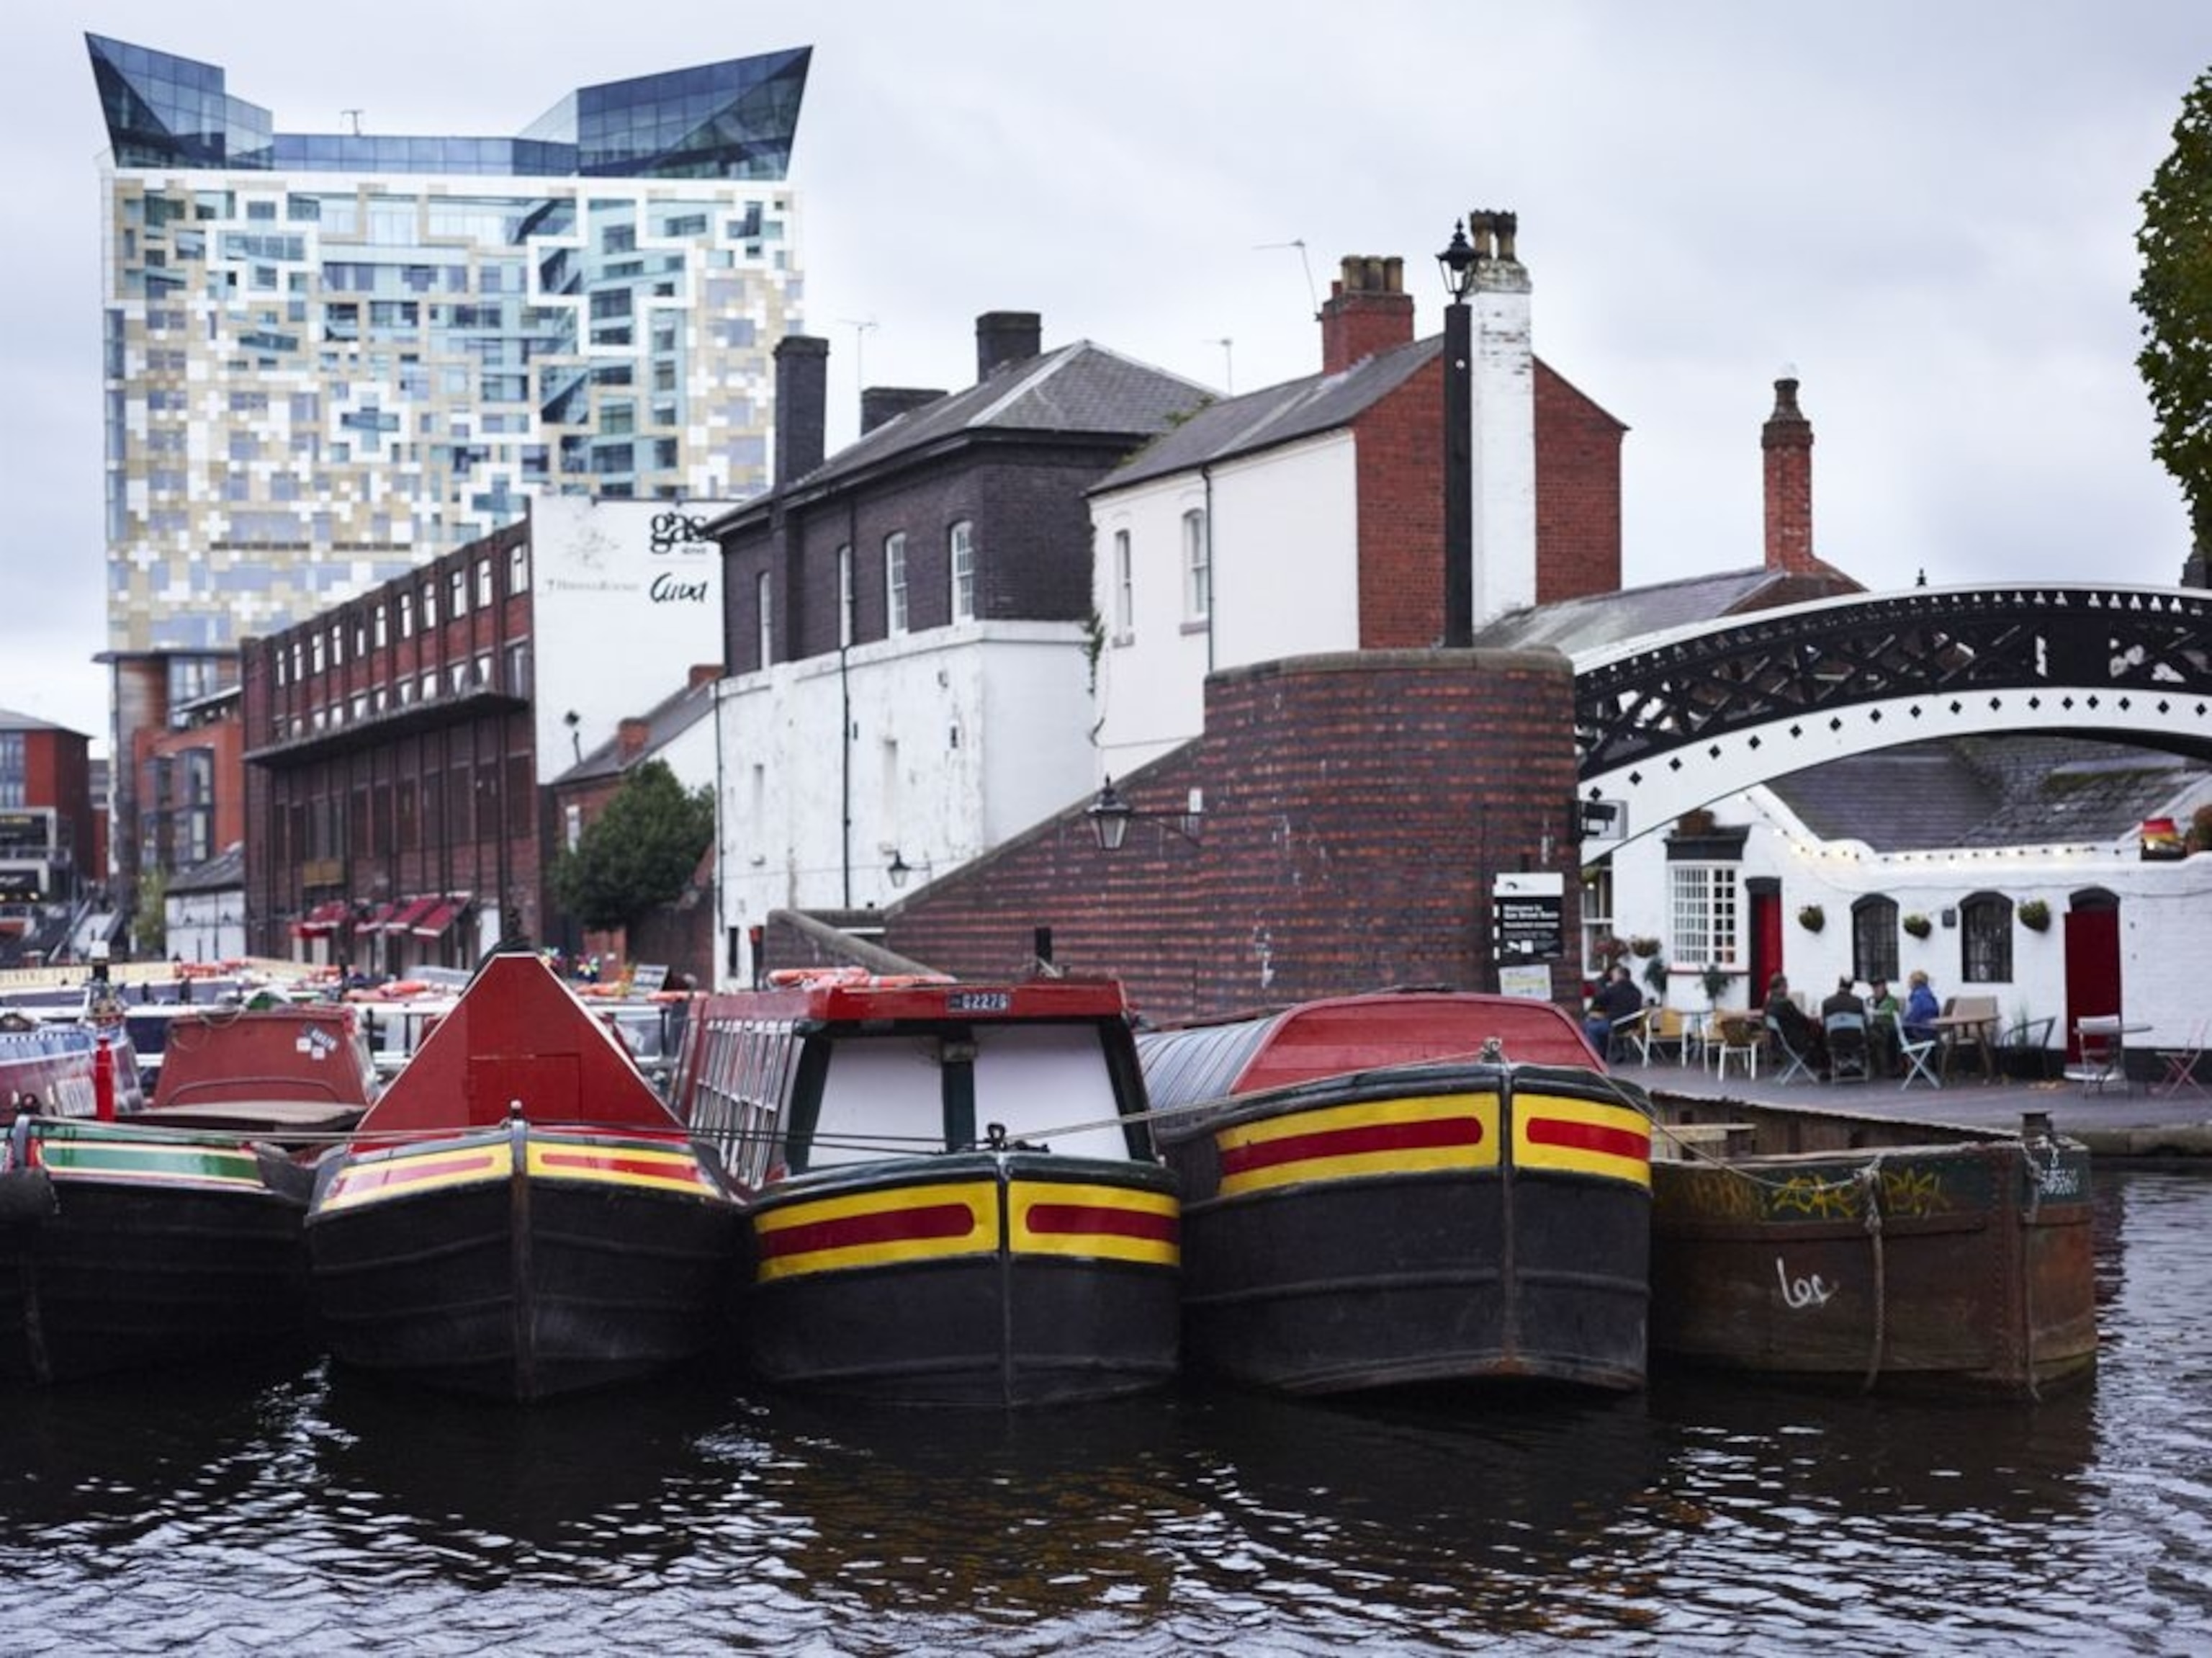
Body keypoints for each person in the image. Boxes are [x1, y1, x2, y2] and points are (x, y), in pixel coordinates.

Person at [1763, 971, 1827, 1073]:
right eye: (1786, 986)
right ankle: (1824, 1067)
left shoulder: (1768, 1003)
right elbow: (1802, 1019)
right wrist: (1814, 1021)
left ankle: (1819, 1064)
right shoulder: (1786, 1003)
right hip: (1794, 1040)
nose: (1787, 989)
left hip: (1778, 1040)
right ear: (1781, 987)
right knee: (1821, 1033)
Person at [1583, 964, 1645, 1055]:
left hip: (1617, 1025)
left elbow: (1599, 998)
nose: (1612, 977)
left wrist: (1601, 982)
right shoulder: (1637, 991)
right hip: (1633, 1025)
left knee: (1590, 1027)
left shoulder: (1614, 989)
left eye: (1614, 975)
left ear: (1620, 975)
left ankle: (1595, 1055)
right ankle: (1610, 1052)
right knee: (1598, 1024)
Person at [1866, 977, 1903, 1075]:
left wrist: (1875, 1013)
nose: (1875, 989)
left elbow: (1891, 1013)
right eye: (1873, 987)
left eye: (1878, 986)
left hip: (1887, 1028)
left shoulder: (1892, 1000)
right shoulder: (1869, 1000)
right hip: (1873, 1028)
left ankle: (1892, 1068)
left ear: (1884, 987)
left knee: (1890, 1035)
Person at [1902, 969, 1941, 1044]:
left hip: (1921, 1032)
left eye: (1910, 981)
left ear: (1915, 983)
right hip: (1932, 1031)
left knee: (1893, 1033)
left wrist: (1903, 1022)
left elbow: (1913, 1018)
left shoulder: (1918, 998)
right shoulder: (1930, 996)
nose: (1908, 984)